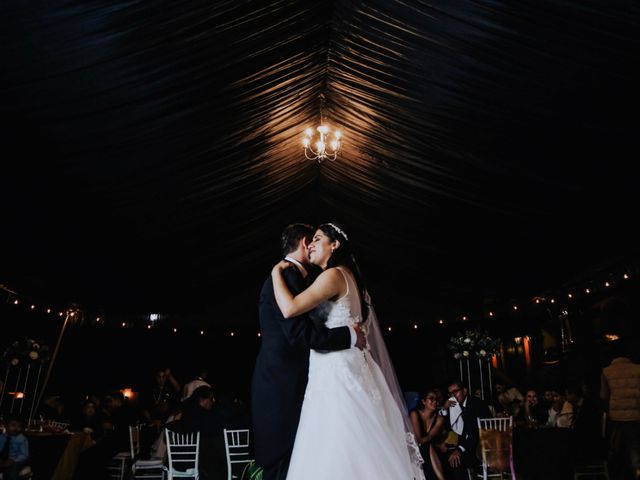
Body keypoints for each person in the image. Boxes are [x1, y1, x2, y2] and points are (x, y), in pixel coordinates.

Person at [271, 222, 422, 479]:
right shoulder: (349, 276)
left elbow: (290, 309)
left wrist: (275, 273)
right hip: (350, 364)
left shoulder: (333, 276)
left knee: (337, 438)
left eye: (318, 239)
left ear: (335, 244)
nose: (312, 245)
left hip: (336, 371)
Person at [251, 223, 366, 480]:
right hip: (283, 384)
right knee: (286, 460)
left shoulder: (318, 277)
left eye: (319, 239)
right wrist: (349, 335)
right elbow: (298, 333)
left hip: (315, 379)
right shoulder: (286, 276)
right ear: (305, 243)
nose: (314, 244)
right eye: (312, 239)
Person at [601, 338, 640, 480]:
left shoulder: (606, 371)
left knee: (618, 451)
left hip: (617, 417)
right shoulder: (638, 369)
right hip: (636, 415)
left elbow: (604, 396)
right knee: (635, 450)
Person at [442, 380, 491, 480]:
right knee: (443, 457)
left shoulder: (477, 404)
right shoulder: (454, 405)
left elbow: (476, 433)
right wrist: (444, 409)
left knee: (455, 460)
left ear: (464, 391)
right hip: (465, 444)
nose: (453, 396)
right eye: (450, 393)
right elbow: (447, 426)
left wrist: (460, 449)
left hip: (482, 445)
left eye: (455, 392)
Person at [410, 390, 447, 480]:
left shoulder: (439, 419)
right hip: (412, 446)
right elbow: (418, 439)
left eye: (436, 399)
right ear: (423, 401)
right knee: (428, 447)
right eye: (431, 398)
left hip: (429, 447)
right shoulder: (414, 414)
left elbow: (430, 436)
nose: (435, 401)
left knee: (429, 446)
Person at [0, 415, 29, 480]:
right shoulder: (2, 437)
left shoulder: (22, 439)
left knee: (11, 473)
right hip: (3, 459)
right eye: (13, 425)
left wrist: (13, 460)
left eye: (19, 426)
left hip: (15, 461)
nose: (16, 428)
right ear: (6, 425)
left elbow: (24, 455)